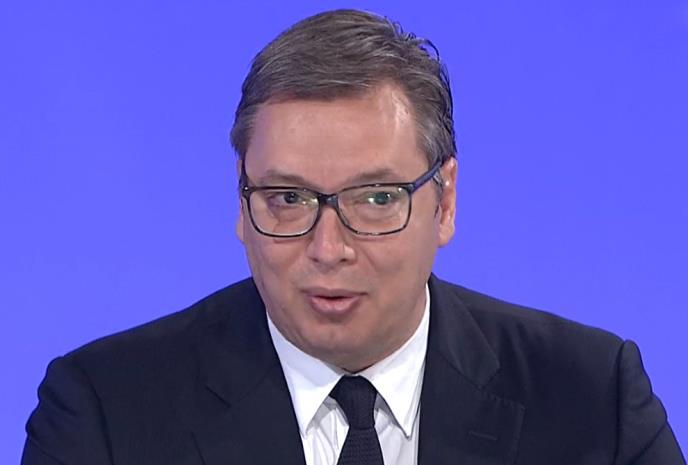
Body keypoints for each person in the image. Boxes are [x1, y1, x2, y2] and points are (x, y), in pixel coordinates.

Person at [22, 8, 684, 465]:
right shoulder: (104, 413)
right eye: (288, 199)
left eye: (375, 198)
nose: (328, 249)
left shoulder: (591, 399)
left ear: (445, 201)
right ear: (241, 202)